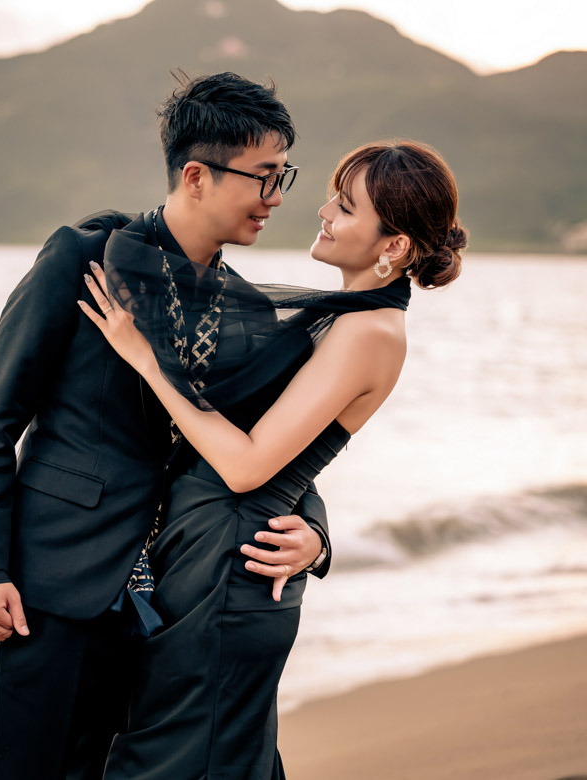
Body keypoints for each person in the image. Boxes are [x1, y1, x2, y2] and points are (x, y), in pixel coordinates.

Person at [0, 73, 334, 778]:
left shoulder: (249, 311)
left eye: (284, 176)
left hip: (179, 599)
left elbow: (272, 447)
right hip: (53, 587)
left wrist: (314, 535)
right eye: (264, 177)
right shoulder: (82, 258)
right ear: (197, 175)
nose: (277, 197)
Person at [79, 139, 467, 779]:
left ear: (394, 245)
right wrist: (315, 534)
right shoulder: (351, 317)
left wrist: (147, 360)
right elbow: (292, 453)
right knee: (199, 756)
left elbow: (249, 466)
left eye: (345, 207)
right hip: (214, 550)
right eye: (334, 198)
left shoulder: (369, 332)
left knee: (182, 762)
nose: (323, 211)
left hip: (230, 566)